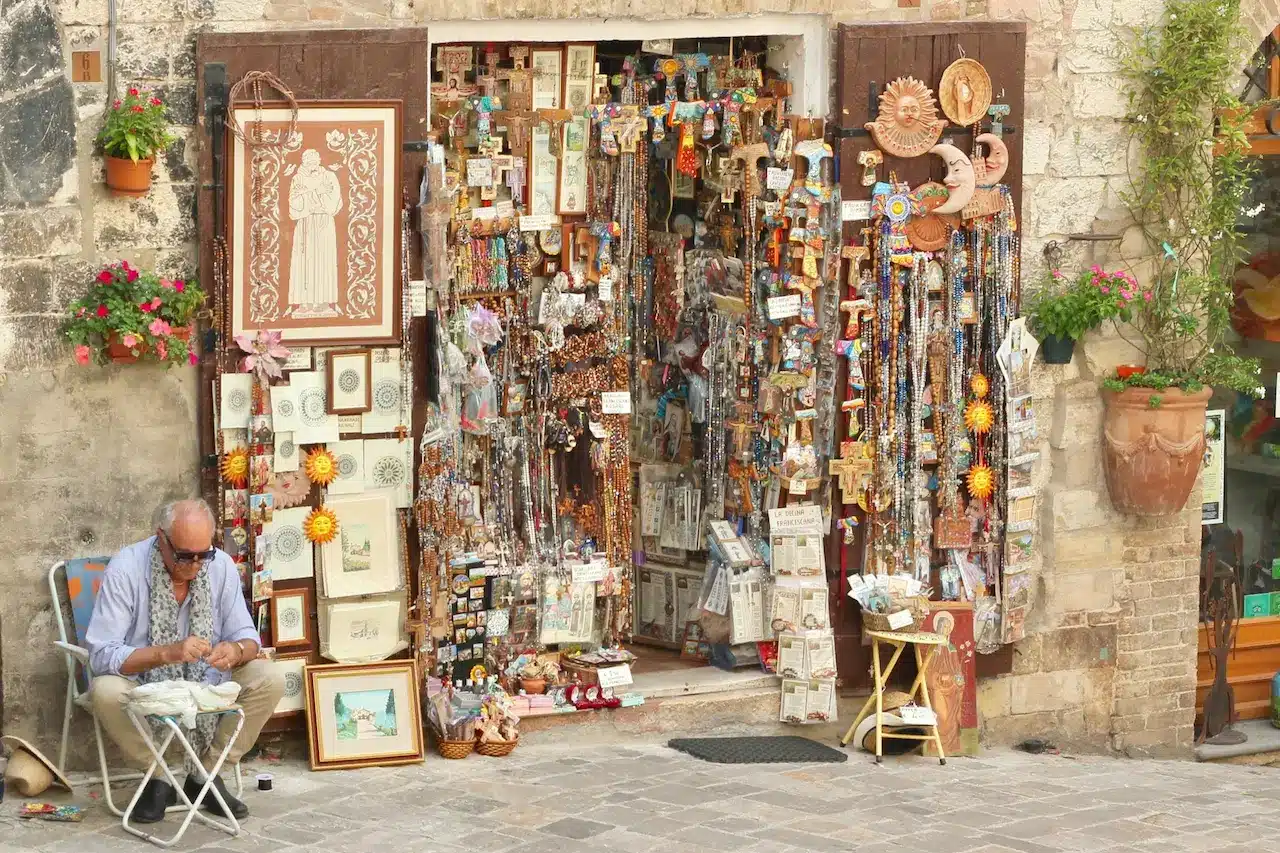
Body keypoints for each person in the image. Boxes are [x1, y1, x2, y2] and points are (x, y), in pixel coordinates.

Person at [86, 500, 284, 824]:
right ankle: (158, 776)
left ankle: (205, 775)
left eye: (202, 554)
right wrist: (166, 653)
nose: (194, 565)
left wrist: (235, 650)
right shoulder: (127, 568)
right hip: (144, 684)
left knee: (271, 678)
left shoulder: (219, 566)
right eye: (184, 555)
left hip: (206, 683)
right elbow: (102, 654)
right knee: (104, 690)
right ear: (160, 538)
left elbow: (249, 638)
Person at [287, 148, 343, 315]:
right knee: (305, 261)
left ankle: (323, 302)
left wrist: (312, 195)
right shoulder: (297, 178)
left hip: (324, 223)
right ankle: (305, 302)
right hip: (305, 223)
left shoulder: (329, 176)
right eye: (308, 160)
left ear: (319, 160)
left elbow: (335, 201)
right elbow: (293, 202)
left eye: (314, 160)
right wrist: (313, 195)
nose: (311, 163)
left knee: (323, 260)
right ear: (303, 162)